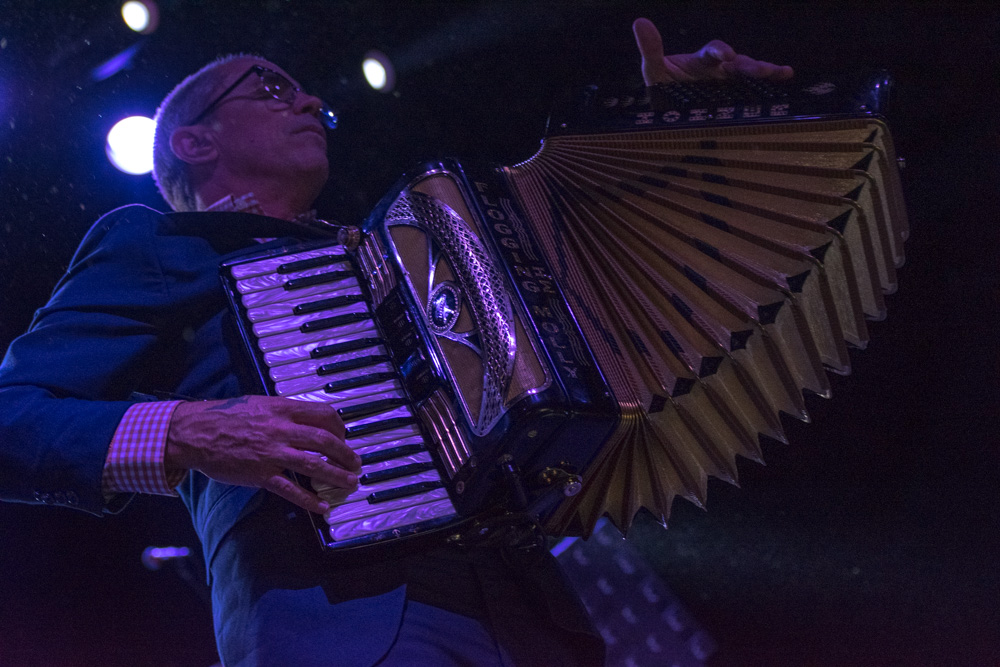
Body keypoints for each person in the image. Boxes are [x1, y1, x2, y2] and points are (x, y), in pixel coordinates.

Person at [0, 18, 792, 667]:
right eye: (272, 88)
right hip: (334, 617)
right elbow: (11, 416)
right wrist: (188, 431)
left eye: (311, 98)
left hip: (533, 620)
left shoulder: (410, 252)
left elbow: (603, 281)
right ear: (193, 142)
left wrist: (678, 134)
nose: (312, 101)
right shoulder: (157, 245)